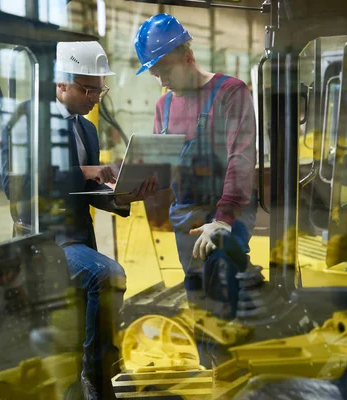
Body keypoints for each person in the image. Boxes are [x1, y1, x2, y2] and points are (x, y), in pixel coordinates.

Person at [1, 41, 156, 399]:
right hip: (43, 239)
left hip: (78, 238)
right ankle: (96, 371)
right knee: (108, 275)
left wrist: (121, 196)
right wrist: (82, 170)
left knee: (92, 300)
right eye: (88, 89)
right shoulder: (26, 119)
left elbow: (85, 189)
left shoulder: (86, 129)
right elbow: (14, 186)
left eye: (99, 88)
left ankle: (93, 373)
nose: (95, 97)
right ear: (61, 85)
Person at [133, 14, 258, 318]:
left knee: (223, 284)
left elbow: (240, 159)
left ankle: (237, 357)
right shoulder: (163, 106)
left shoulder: (231, 92)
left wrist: (224, 219)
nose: (161, 80)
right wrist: (130, 184)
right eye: (154, 73)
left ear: (187, 57)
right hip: (185, 219)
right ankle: (209, 363)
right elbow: (162, 169)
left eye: (165, 70)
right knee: (198, 298)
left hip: (226, 213)